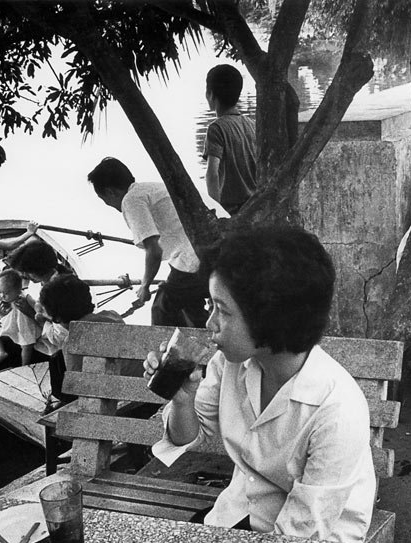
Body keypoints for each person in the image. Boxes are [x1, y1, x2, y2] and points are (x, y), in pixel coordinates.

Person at [149, 225, 376, 543]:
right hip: (242, 511)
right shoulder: (229, 362)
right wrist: (182, 400)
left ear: (270, 319)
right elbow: (187, 436)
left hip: (316, 540)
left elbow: (301, 534)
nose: (209, 323)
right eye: (211, 305)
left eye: (222, 311)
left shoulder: (337, 411)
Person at [87, 157, 209, 328]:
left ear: (110, 192)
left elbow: (154, 251)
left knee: (163, 304)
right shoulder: (153, 188)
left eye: (103, 199)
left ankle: (159, 351)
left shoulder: (131, 200)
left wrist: (144, 286)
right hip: (218, 244)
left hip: (198, 254)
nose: (107, 204)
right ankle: (207, 341)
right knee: (185, 299)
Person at [38, 274, 127, 376]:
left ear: (57, 319)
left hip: (111, 387)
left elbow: (78, 385)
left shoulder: (72, 343)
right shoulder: (113, 316)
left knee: (56, 360)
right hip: (137, 381)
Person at [203, 64, 258, 215]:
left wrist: (216, 211)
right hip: (255, 206)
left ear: (211, 94)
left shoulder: (216, 128)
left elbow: (212, 174)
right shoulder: (252, 125)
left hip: (232, 211)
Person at [0, 269, 41, 367]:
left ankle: (25, 365)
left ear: (18, 290)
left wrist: (37, 310)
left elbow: (36, 306)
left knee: (27, 346)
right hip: (11, 323)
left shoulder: (25, 296)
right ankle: (1, 352)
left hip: (25, 326)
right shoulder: (1, 298)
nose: (2, 295)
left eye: (6, 293)